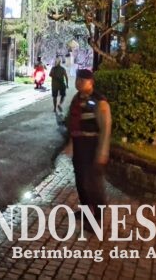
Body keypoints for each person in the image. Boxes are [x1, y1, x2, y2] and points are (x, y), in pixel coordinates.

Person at [68, 69, 112, 221]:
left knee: (93, 183)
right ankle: (86, 211)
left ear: (91, 82)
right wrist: (70, 143)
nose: (79, 82)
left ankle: (97, 218)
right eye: (77, 79)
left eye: (83, 80)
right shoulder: (77, 98)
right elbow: (73, 122)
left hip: (92, 145)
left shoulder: (99, 101)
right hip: (79, 145)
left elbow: (106, 128)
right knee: (80, 180)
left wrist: (102, 153)